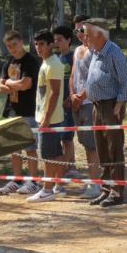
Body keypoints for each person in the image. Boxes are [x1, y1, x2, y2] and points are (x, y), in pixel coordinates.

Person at [80, 18, 127, 207]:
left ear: (100, 35)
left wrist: (119, 105)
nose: (84, 37)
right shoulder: (94, 52)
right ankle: (105, 189)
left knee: (114, 149)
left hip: (110, 106)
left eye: (87, 34)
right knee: (102, 149)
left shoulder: (113, 52)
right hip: (97, 106)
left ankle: (116, 192)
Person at [0, 30, 41, 195]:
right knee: (14, 148)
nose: (12, 49)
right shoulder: (8, 62)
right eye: (9, 46)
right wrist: (13, 84)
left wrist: (8, 82)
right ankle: (17, 179)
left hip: (28, 110)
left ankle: (34, 181)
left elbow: (26, 84)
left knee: (30, 147)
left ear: (21, 42)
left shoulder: (31, 61)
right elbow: (0, 88)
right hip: (11, 110)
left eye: (14, 44)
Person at [26, 30, 66, 202]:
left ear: (51, 45)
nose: (38, 47)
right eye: (36, 44)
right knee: (56, 152)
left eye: (42, 44)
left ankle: (47, 189)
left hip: (49, 118)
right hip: (46, 116)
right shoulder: (46, 63)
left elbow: (55, 93)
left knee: (48, 155)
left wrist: (46, 119)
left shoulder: (53, 64)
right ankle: (58, 186)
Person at [69, 15, 101, 199]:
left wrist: (81, 97)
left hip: (90, 102)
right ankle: (94, 180)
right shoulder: (77, 50)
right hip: (78, 103)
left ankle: (96, 184)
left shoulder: (95, 50)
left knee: (92, 145)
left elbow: (95, 78)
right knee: (85, 144)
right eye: (77, 30)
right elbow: (73, 74)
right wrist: (72, 95)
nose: (80, 34)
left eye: (82, 30)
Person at [53, 25, 77, 192]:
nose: (57, 42)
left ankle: (68, 168)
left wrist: (70, 98)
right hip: (58, 105)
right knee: (63, 138)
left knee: (67, 138)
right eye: (55, 40)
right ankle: (70, 165)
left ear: (69, 40)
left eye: (60, 39)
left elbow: (77, 79)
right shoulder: (57, 58)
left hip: (69, 104)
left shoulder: (73, 57)